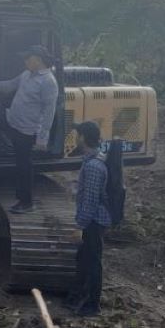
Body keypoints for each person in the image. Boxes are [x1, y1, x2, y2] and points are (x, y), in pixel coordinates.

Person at [0, 45, 59, 213]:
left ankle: (26, 203)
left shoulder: (48, 81)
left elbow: (49, 112)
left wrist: (42, 138)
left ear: (38, 60)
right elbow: (8, 85)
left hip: (26, 129)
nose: (25, 61)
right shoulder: (27, 74)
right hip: (11, 118)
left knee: (23, 165)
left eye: (28, 58)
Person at [68, 121, 111, 317]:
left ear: (83, 138)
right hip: (91, 221)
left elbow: (91, 201)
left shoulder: (93, 166)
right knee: (83, 260)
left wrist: (80, 226)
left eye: (78, 135)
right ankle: (77, 297)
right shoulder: (90, 161)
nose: (76, 138)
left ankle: (93, 304)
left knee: (93, 263)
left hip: (94, 222)